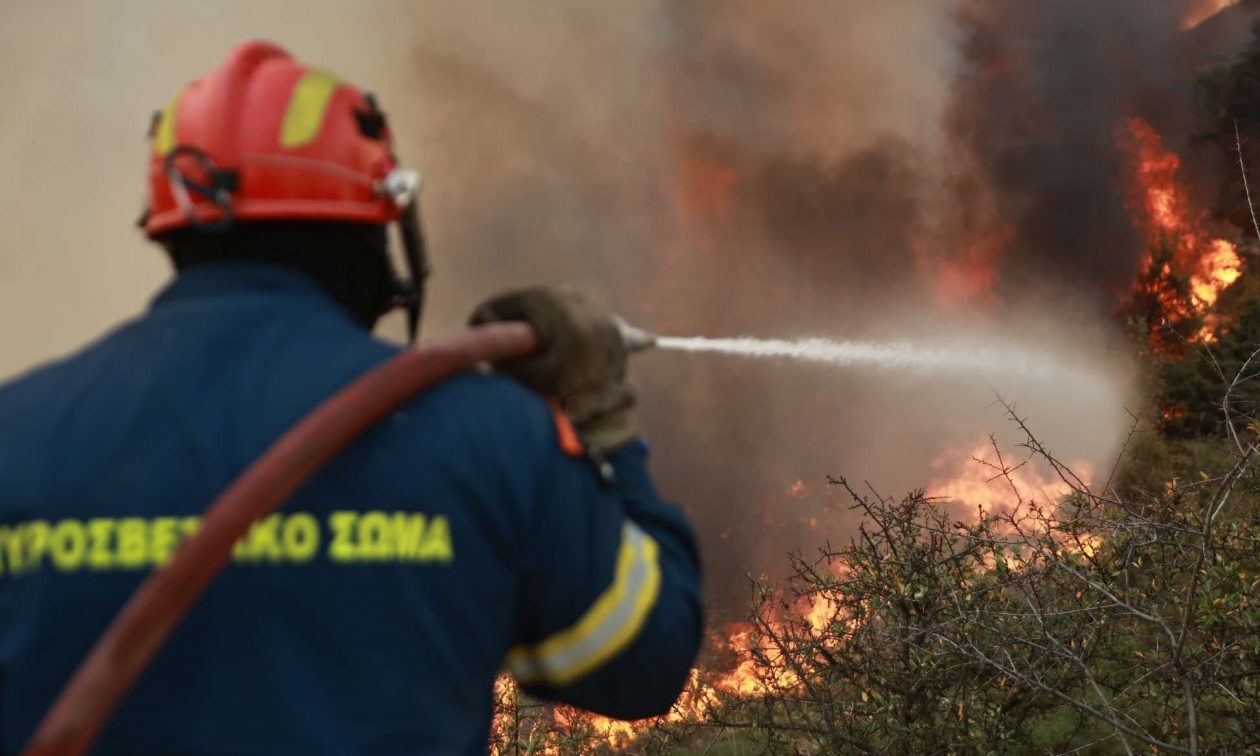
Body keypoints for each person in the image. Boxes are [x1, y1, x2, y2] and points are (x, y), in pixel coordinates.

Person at [0, 40, 702, 754]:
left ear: (170, 226)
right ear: (372, 223)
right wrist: (601, 420)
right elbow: (646, 660)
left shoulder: (16, 439)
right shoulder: (487, 438)